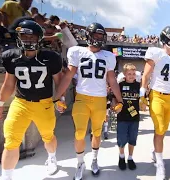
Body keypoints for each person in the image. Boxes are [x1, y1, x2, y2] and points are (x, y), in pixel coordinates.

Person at [0, 20, 65, 180]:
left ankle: (52, 157)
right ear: (18, 37)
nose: (27, 40)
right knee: (11, 139)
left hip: (44, 103)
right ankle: (6, 176)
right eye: (24, 36)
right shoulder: (12, 56)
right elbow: (9, 83)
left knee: (48, 136)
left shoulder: (51, 57)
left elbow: (59, 81)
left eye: (31, 37)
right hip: (21, 103)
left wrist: (61, 98)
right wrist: (0, 104)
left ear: (39, 38)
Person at [53, 22, 123, 180]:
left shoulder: (109, 56)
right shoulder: (77, 51)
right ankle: (80, 163)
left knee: (97, 133)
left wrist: (120, 100)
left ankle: (94, 160)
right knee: (79, 133)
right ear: (89, 36)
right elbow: (68, 76)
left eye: (100, 36)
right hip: (82, 98)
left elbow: (112, 81)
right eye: (96, 35)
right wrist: (57, 97)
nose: (98, 38)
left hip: (99, 99)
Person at [141, 25, 170, 180]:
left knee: (162, 130)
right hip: (156, 95)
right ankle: (160, 164)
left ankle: (155, 152)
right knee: (160, 128)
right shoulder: (156, 53)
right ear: (166, 38)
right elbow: (146, 76)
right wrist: (142, 94)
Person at [116, 63, 141, 171]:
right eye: (129, 74)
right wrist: (115, 106)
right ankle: (121, 157)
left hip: (134, 117)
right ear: (124, 74)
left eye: (133, 73)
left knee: (132, 139)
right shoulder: (120, 85)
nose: (131, 76)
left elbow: (143, 97)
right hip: (122, 117)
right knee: (121, 139)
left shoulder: (139, 85)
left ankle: (130, 158)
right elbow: (114, 98)